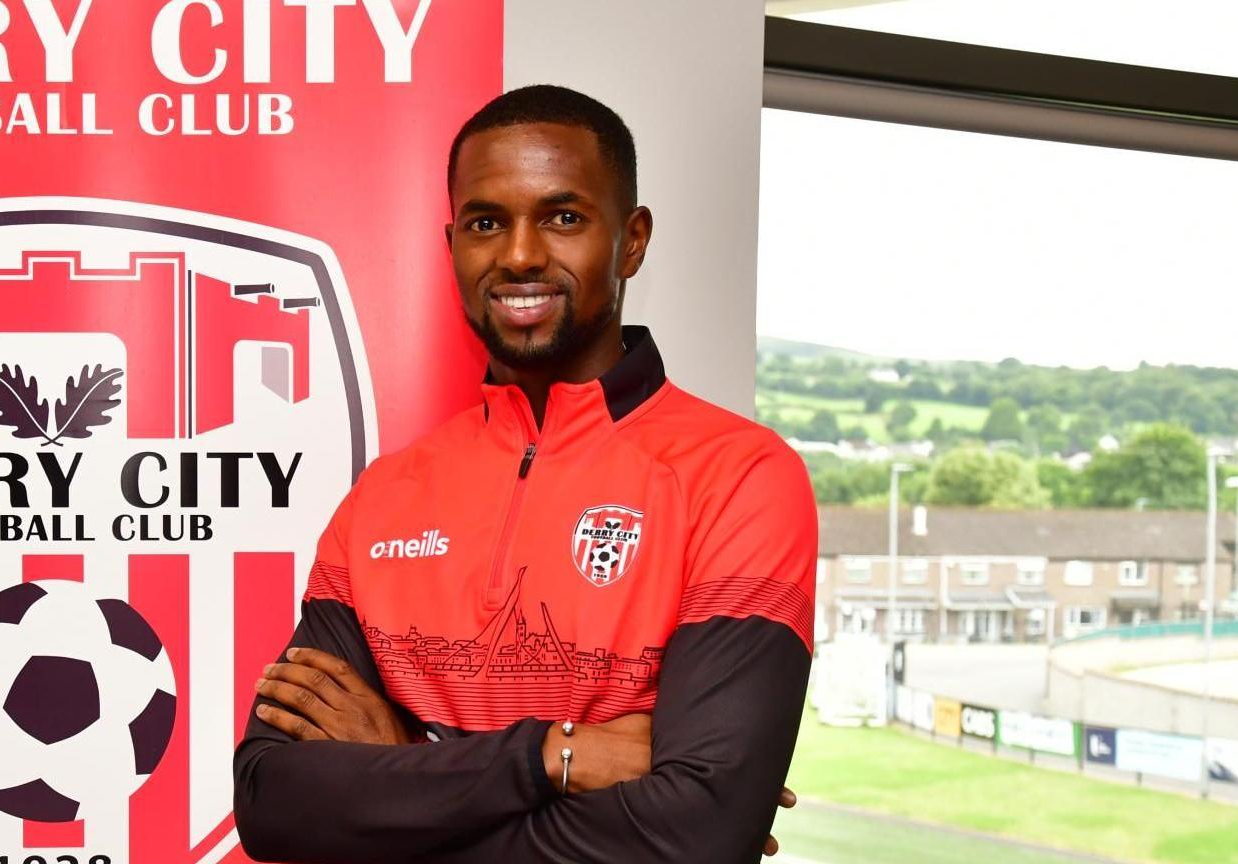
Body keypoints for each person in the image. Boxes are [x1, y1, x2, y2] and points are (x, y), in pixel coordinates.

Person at [233, 84, 817, 864]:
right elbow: (276, 805)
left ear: (632, 241)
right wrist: (552, 756)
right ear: (452, 247)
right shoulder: (382, 498)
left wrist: (401, 769)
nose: (518, 255)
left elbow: (697, 834)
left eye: (563, 217)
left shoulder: (740, 476)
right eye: (486, 223)